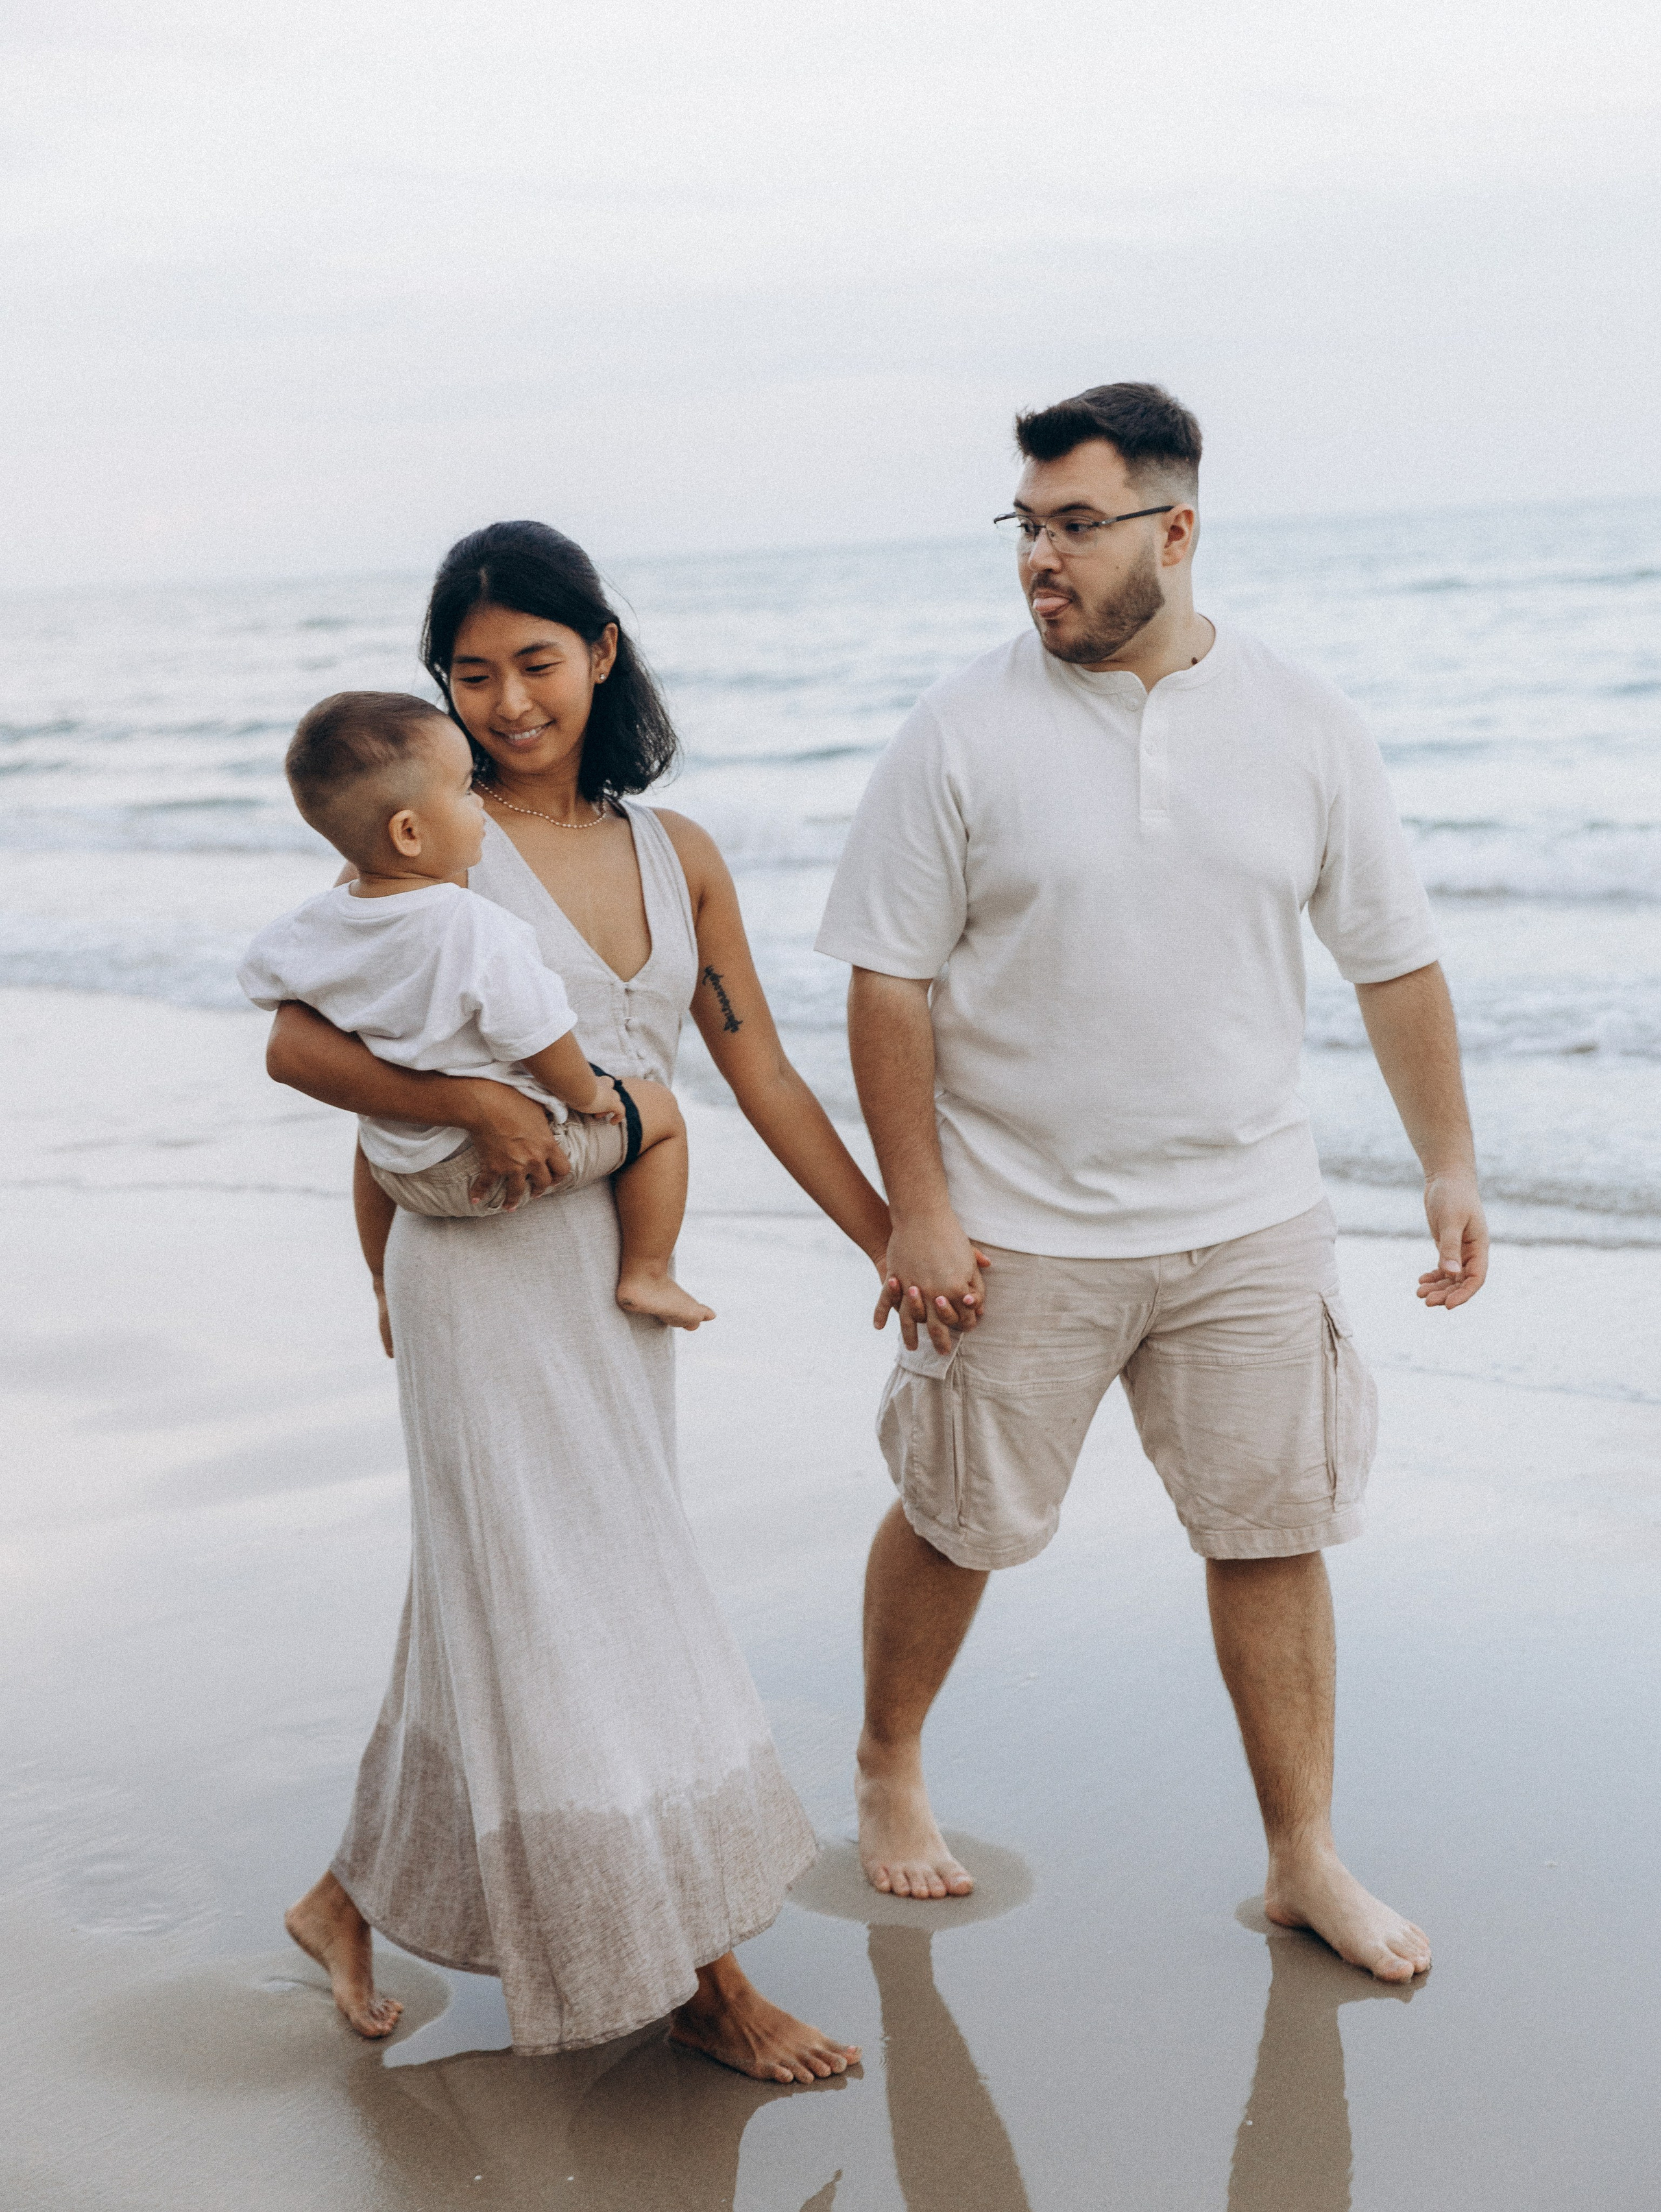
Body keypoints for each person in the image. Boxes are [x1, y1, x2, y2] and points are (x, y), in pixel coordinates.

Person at [817, 381, 1487, 1983]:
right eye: (1026, 528)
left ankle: (1300, 1861)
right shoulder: (958, 732)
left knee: (1270, 1529)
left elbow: (1391, 964)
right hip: (1016, 1222)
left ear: (1173, 533)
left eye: (1073, 526)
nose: (1039, 559)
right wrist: (916, 1202)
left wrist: (1446, 1162)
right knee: (957, 1516)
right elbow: (884, 984)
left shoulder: (1305, 723)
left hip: (1248, 1214)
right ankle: (888, 1771)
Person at [269, 520, 891, 2081]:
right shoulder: (418, 847)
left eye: (533, 663)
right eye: (468, 674)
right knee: (589, 1608)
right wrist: (443, 1168)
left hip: (618, 1285)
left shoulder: (675, 855)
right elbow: (322, 1061)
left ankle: (343, 1898)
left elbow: (751, 1069)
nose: (504, 703)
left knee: (499, 1606)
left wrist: (888, 1232)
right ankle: (706, 1981)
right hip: (477, 1280)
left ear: (599, 654)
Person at [240, 690, 712, 1330]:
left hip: (399, 1170)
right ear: (409, 831)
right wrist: (589, 1089)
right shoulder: (477, 927)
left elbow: (262, 975)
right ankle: (647, 1273)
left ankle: (381, 1281)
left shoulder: (315, 923)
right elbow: (537, 1033)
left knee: (368, 1123)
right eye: (465, 792)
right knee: (660, 1114)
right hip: (491, 1166)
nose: (482, 809)